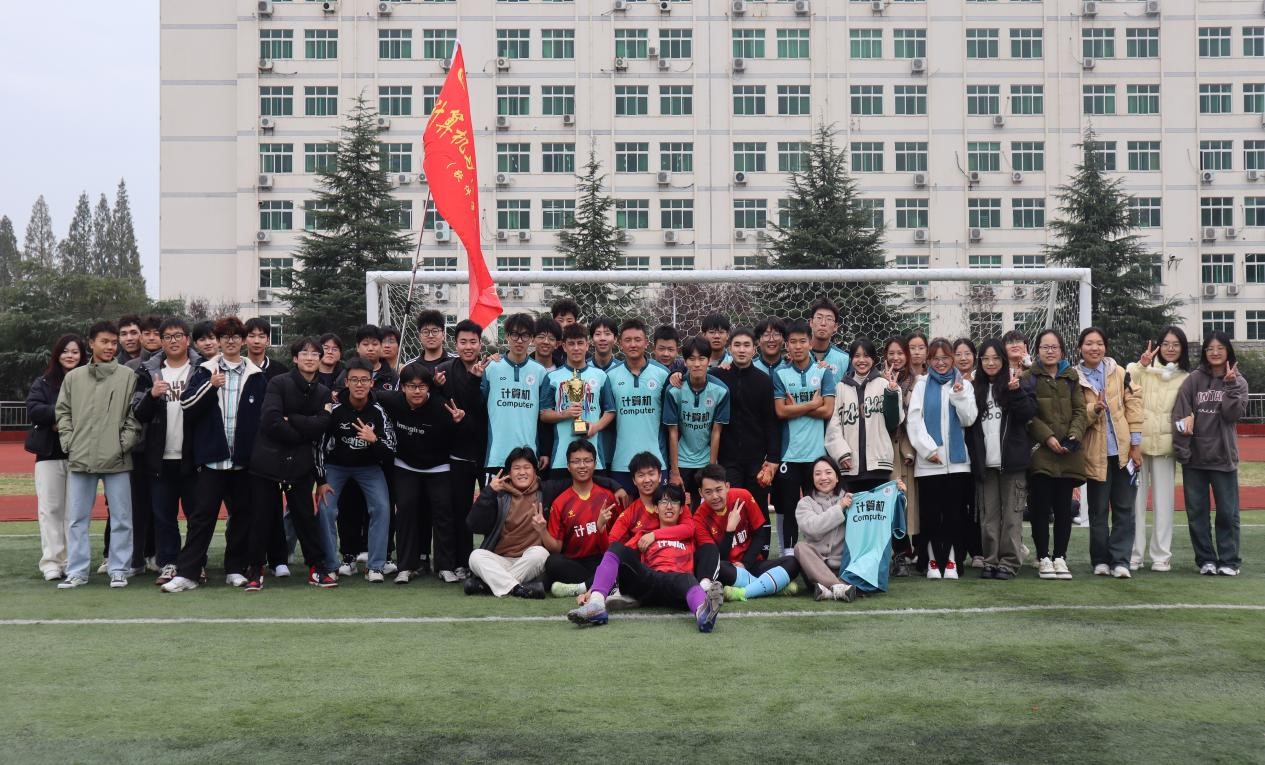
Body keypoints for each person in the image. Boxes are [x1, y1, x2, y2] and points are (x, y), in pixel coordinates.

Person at [164, 316, 268, 591]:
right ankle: (188, 573)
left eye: (235, 336)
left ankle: (235, 568)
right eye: (225, 337)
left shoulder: (256, 375)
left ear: (242, 341)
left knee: (242, 516)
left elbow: (263, 417)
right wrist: (211, 386)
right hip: (213, 459)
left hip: (243, 461)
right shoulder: (204, 371)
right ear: (219, 341)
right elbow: (187, 404)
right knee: (202, 518)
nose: (230, 341)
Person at [234, 337, 336, 591]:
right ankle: (255, 570)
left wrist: (295, 420)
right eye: (304, 353)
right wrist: (304, 432)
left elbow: (322, 426)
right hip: (267, 461)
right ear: (295, 358)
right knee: (261, 518)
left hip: (300, 465)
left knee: (305, 518)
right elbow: (271, 420)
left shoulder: (323, 391)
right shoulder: (278, 383)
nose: (310, 358)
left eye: (315, 354)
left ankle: (317, 568)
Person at [465, 446, 626, 598]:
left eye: (527, 467)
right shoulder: (499, 496)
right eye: (517, 468)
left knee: (540, 553)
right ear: (509, 473)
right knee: (475, 556)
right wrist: (488, 492)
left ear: (535, 471)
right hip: (501, 560)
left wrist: (615, 486)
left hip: (530, 562)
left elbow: (582, 477)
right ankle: (517, 588)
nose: (522, 472)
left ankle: (489, 585)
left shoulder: (547, 490)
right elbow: (474, 525)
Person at [565, 483, 726, 633]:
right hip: (647, 582)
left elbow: (694, 534)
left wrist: (655, 535)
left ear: (682, 509)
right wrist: (593, 589)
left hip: (677, 585)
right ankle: (597, 604)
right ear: (655, 508)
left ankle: (703, 613)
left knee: (696, 568)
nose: (669, 506)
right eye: (663, 502)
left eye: (674, 502)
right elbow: (615, 558)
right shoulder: (643, 536)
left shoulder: (688, 534)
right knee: (617, 548)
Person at [54, 321, 142, 589]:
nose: (110, 347)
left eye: (114, 342)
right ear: (91, 343)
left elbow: (134, 417)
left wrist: (122, 445)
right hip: (80, 457)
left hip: (117, 460)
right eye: (104, 341)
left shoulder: (128, 376)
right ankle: (77, 571)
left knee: (122, 519)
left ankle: (119, 569)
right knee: (77, 519)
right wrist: (69, 442)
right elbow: (63, 412)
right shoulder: (74, 377)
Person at [378, 363, 465, 583]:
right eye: (411, 386)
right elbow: (367, 395)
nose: (416, 391)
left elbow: (460, 434)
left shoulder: (442, 407)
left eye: (421, 386)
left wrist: (458, 422)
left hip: (439, 467)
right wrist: (337, 396)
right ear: (402, 388)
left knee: (443, 513)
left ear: (429, 388)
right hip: (405, 465)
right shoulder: (391, 400)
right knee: (405, 510)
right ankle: (406, 566)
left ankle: (445, 566)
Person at [131, 318, 200, 586]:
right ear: (161, 342)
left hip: (192, 457)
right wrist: (152, 395)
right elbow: (139, 413)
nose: (173, 341)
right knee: (163, 517)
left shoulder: (202, 369)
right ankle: (169, 563)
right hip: (159, 458)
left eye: (178, 335)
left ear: (187, 339)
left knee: (196, 516)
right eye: (168, 337)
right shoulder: (148, 371)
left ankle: (195, 564)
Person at [1173, 332, 1249, 576]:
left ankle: (1229, 561)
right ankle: (1205, 559)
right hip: (1194, 459)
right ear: (1204, 352)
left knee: (1228, 512)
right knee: (1197, 513)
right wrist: (1182, 450)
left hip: (1223, 457)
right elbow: (1180, 415)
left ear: (1228, 351)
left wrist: (1230, 386)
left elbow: (1232, 415)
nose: (1215, 353)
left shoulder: (1239, 381)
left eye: (1220, 348)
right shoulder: (1194, 380)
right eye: (1210, 349)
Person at [316, 357, 398, 582]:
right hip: (336, 467)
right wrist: (321, 480)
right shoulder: (334, 410)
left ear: (372, 383)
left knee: (382, 508)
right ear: (347, 383)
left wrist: (374, 440)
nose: (359, 384)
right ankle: (330, 565)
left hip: (369, 467)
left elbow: (391, 449)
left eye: (364, 380)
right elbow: (320, 446)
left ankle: (376, 566)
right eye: (354, 380)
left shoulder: (378, 412)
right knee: (325, 509)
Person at [906, 337, 977, 579]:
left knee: (955, 514)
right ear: (928, 360)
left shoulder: (964, 385)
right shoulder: (921, 385)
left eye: (945, 357)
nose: (941, 363)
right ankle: (932, 560)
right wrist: (929, 450)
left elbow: (969, 419)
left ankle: (953, 561)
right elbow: (914, 421)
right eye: (935, 358)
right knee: (931, 515)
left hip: (958, 464)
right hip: (929, 464)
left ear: (952, 359)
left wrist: (959, 395)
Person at [966, 339, 1037, 580]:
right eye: (985, 358)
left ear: (1003, 360)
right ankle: (991, 560)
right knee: (989, 516)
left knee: (1012, 517)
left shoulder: (1016, 383)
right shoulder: (975, 388)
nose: (991, 363)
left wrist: (1016, 392)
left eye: (995, 358)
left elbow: (1029, 413)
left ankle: (1009, 562)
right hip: (985, 464)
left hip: (1012, 463)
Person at [1076, 327, 1143, 579]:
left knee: (1125, 509)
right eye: (1089, 343)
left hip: (1123, 453)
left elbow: (1133, 406)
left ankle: (1121, 560)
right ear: (1080, 348)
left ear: (1105, 346)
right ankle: (1101, 560)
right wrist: (1094, 409)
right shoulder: (1074, 378)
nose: (1095, 348)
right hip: (1095, 453)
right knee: (1098, 511)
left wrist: (1136, 445)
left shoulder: (1119, 372)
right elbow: (1076, 414)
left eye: (1099, 343)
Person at [1024, 329, 1087, 581]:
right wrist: (1048, 437)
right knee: (1040, 508)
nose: (1050, 351)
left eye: (1054, 347)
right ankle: (1043, 557)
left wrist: (1073, 436)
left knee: (1063, 509)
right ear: (1037, 350)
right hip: (1040, 452)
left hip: (1068, 453)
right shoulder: (1029, 377)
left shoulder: (1071, 376)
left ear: (1061, 350)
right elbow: (1028, 415)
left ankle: (1060, 556)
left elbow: (1080, 411)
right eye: (1045, 347)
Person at [1126, 327, 1190, 572]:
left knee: (1164, 504)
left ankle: (1161, 555)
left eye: (1176, 344)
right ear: (1158, 346)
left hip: (1166, 449)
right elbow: (1128, 380)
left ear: (1182, 348)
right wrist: (1142, 365)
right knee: (1135, 503)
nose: (1170, 348)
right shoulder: (1143, 370)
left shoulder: (1186, 377)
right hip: (1137, 447)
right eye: (1166, 344)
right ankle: (1134, 554)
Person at [713, 327, 780, 560]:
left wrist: (772, 458)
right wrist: (677, 374)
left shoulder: (764, 381)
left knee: (758, 508)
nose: (742, 350)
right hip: (728, 459)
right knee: (731, 506)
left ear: (754, 349)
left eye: (746, 345)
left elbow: (771, 423)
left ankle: (760, 555)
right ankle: (733, 555)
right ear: (729, 348)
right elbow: (693, 376)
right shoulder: (718, 377)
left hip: (757, 461)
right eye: (737, 345)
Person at [771, 319, 836, 553]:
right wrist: (812, 404)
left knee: (817, 508)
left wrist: (795, 408)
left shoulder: (823, 372)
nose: (797, 346)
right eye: (793, 342)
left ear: (810, 343)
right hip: (789, 454)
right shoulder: (780, 374)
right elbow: (780, 411)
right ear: (786, 345)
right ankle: (789, 555)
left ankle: (818, 552)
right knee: (789, 507)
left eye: (802, 341)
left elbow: (827, 410)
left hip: (817, 455)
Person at [692, 465, 800, 602]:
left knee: (792, 562)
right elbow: (714, 558)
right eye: (708, 492)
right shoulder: (699, 518)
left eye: (719, 490)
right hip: (728, 568)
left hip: (751, 563)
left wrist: (745, 563)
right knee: (717, 570)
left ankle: (744, 592)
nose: (715, 496)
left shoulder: (743, 496)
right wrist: (730, 531)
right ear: (701, 493)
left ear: (727, 486)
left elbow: (760, 535)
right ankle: (773, 585)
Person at [26, 334, 86, 581]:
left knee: (75, 511)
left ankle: (73, 561)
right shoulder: (43, 382)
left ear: (82, 355)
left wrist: (63, 420)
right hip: (49, 455)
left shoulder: (88, 380)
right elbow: (35, 410)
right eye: (65, 351)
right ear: (57, 354)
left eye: (75, 351)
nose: (70, 355)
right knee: (50, 509)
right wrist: (64, 416)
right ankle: (52, 562)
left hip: (80, 454)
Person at [436, 319, 488, 580]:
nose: (468, 347)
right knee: (460, 509)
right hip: (457, 452)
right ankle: (461, 561)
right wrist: (437, 386)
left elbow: (480, 409)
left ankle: (491, 559)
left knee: (491, 508)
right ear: (455, 344)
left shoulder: (490, 370)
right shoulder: (444, 371)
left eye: (473, 342)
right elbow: (440, 406)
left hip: (487, 451)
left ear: (480, 344)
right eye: (463, 342)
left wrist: (476, 379)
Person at [598, 318, 671, 493]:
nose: (633, 344)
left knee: (656, 508)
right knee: (625, 510)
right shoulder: (609, 376)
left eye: (638, 340)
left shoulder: (663, 374)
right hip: (621, 463)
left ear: (646, 343)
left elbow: (671, 421)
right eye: (628, 340)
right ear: (620, 344)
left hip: (656, 463)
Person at [825, 337, 902, 494]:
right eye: (857, 356)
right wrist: (841, 453)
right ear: (851, 359)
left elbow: (893, 422)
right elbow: (833, 426)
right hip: (849, 466)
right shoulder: (841, 387)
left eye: (866, 356)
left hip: (878, 466)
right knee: (852, 509)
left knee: (877, 509)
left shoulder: (885, 385)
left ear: (873, 359)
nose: (861, 360)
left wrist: (891, 393)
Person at [541, 440, 619, 592]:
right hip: (574, 562)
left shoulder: (608, 497)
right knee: (553, 562)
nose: (582, 466)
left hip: (603, 559)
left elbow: (618, 541)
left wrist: (601, 528)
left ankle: (583, 587)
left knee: (620, 562)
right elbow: (557, 548)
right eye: (576, 461)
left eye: (587, 461)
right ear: (568, 467)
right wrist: (541, 530)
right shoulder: (560, 502)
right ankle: (603, 583)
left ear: (595, 464)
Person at [540, 323, 611, 480]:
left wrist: (596, 427)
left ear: (587, 345)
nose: (576, 348)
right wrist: (564, 414)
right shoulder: (552, 377)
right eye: (571, 344)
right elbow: (544, 414)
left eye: (580, 343)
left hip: (594, 459)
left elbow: (610, 411)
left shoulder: (601, 376)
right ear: (564, 347)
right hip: (561, 460)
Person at [664, 337, 730, 503]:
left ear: (709, 360)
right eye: (692, 359)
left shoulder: (721, 390)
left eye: (702, 358)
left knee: (707, 509)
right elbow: (673, 432)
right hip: (681, 461)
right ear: (685, 362)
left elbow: (716, 432)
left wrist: (711, 469)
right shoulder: (674, 390)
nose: (697, 364)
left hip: (706, 461)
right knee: (680, 509)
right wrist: (674, 471)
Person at [481, 312, 548, 475]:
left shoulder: (540, 372)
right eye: (515, 335)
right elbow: (478, 404)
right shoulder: (491, 368)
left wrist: (544, 450)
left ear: (531, 338)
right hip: (497, 456)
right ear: (507, 336)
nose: (519, 340)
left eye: (525, 335)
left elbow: (544, 416)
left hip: (529, 457)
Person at [794, 456, 859, 602]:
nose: (823, 477)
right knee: (800, 547)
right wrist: (839, 507)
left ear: (837, 477)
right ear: (812, 479)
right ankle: (840, 587)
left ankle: (828, 591)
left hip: (844, 568)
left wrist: (894, 491)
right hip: (816, 569)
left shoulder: (851, 499)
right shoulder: (805, 503)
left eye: (828, 472)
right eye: (817, 474)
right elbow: (813, 528)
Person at [884, 336, 919, 576]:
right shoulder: (878, 380)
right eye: (891, 353)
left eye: (900, 353)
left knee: (907, 505)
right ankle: (895, 554)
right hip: (885, 448)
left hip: (908, 448)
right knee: (891, 501)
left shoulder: (916, 381)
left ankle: (907, 554)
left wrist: (909, 449)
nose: (896, 358)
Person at [807, 298, 851, 379]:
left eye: (829, 319)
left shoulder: (845, 360)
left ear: (835, 327)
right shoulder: (796, 355)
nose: (823, 323)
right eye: (819, 318)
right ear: (811, 322)